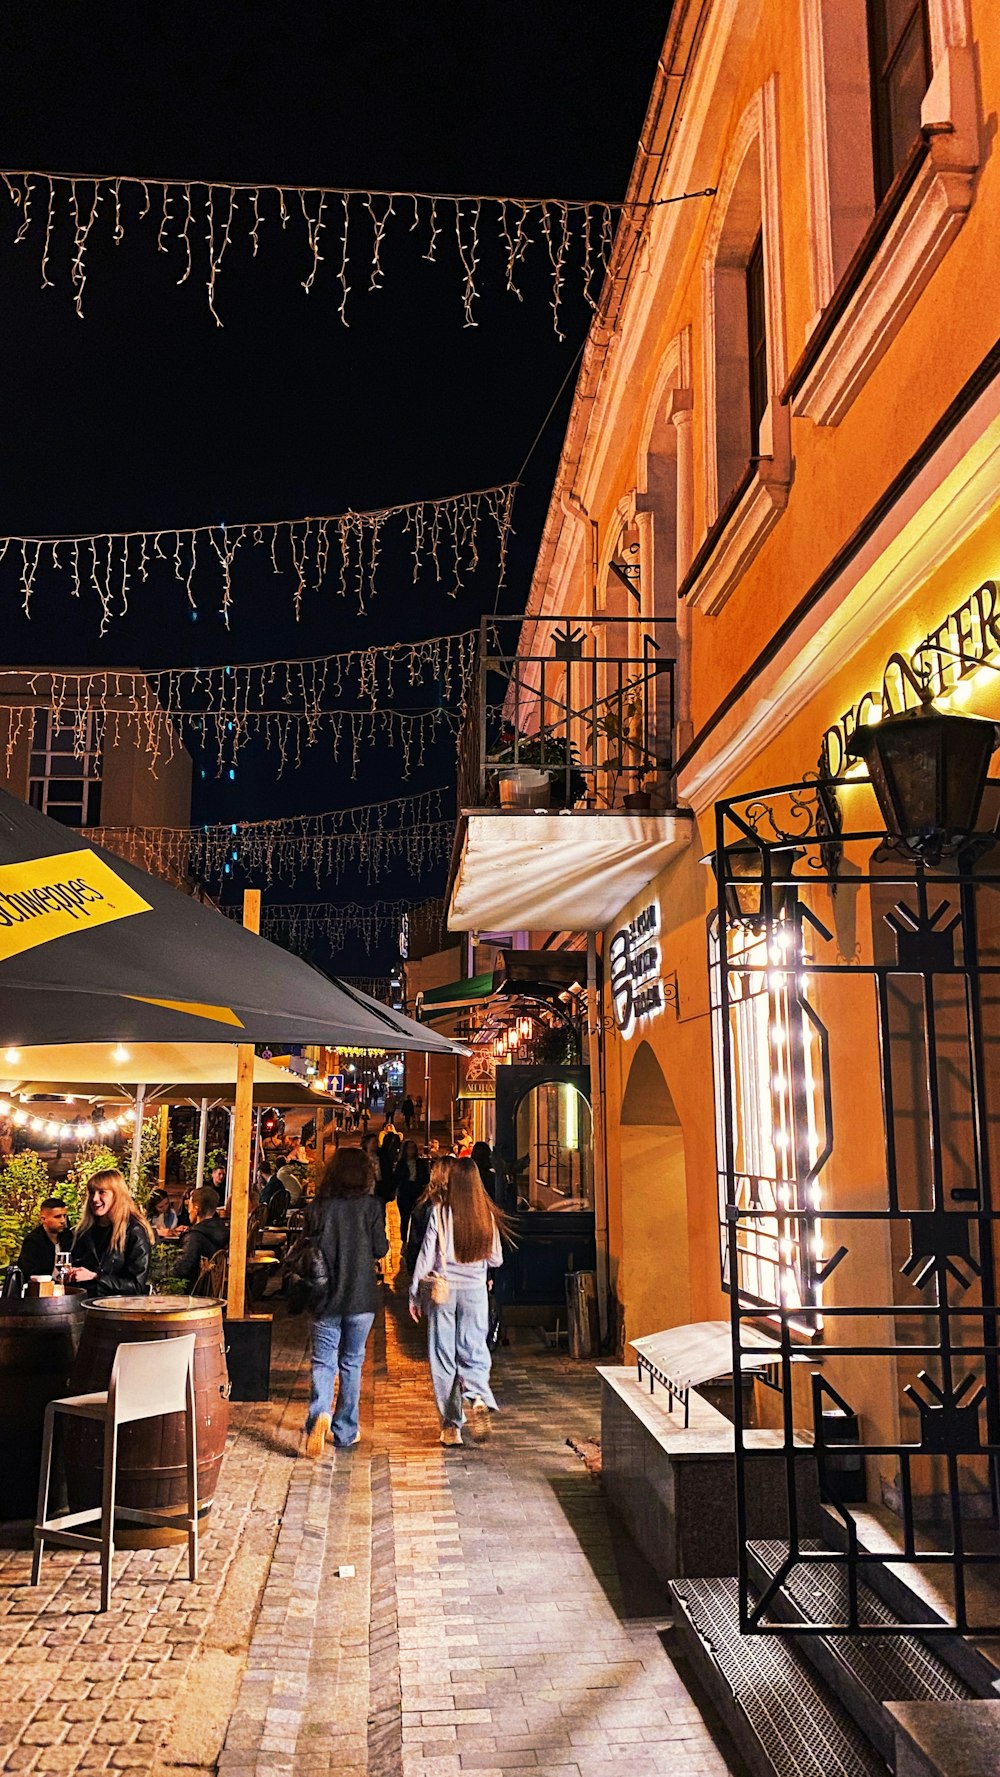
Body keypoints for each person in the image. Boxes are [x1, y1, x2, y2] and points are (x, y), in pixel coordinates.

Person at [409, 1156, 507, 1446]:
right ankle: (478, 1397)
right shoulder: (485, 1215)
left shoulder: (439, 1213)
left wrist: (414, 1293)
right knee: (473, 1349)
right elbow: (497, 1258)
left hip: (444, 1292)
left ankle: (451, 1427)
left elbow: (426, 1258)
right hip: (475, 1291)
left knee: (442, 1357)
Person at [304, 1146, 389, 1458]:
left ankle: (319, 1416)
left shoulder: (318, 1207)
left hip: (325, 1296)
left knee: (323, 1361)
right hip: (361, 1297)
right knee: (352, 1362)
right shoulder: (371, 1207)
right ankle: (344, 1430)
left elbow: (307, 1249)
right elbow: (380, 1249)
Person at [66, 1170, 153, 1296]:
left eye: (102, 1192)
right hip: (83, 1306)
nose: (95, 1199)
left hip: (119, 1310)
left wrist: (96, 1277)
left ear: (117, 1195)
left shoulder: (134, 1231)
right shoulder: (83, 1231)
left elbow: (137, 1287)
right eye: (91, 1193)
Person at [174, 1186, 229, 1287]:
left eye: (189, 1207)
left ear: (196, 1208)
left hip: (195, 1292)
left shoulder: (195, 1237)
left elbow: (182, 1269)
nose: (188, 1211)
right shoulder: (222, 1230)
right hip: (212, 1288)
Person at [17, 1197, 72, 1278]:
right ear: (43, 1219)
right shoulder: (33, 1241)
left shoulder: (67, 1236)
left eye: (64, 1216)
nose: (63, 1220)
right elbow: (31, 1274)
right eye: (57, 1217)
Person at [392, 1139, 430, 1249]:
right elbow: (397, 1179)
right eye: (409, 1148)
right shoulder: (401, 1164)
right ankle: (404, 1241)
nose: (411, 1151)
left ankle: (416, 1240)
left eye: (413, 1148)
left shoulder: (420, 1163)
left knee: (417, 1217)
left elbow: (426, 1177)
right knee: (404, 1217)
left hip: (417, 1191)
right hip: (404, 1192)